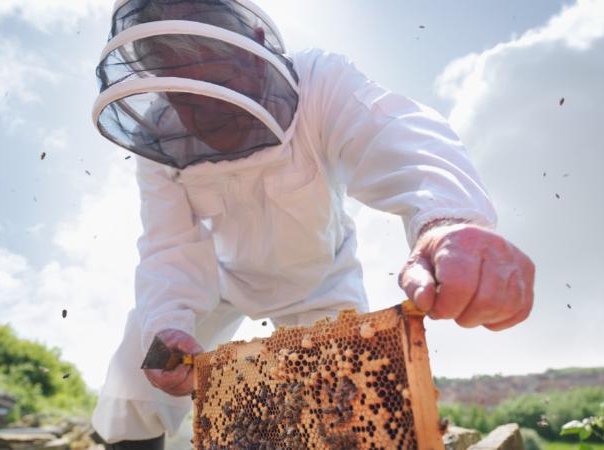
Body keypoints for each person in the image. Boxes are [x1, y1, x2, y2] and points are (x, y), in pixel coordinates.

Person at [90, 0, 535, 448]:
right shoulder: (159, 138)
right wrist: (169, 322)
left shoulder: (321, 82)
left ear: (255, 44)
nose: (207, 109)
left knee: (346, 406)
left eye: (218, 81)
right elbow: (169, 247)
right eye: (185, 96)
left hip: (320, 282)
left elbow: (396, 133)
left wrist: (448, 221)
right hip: (221, 283)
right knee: (135, 376)